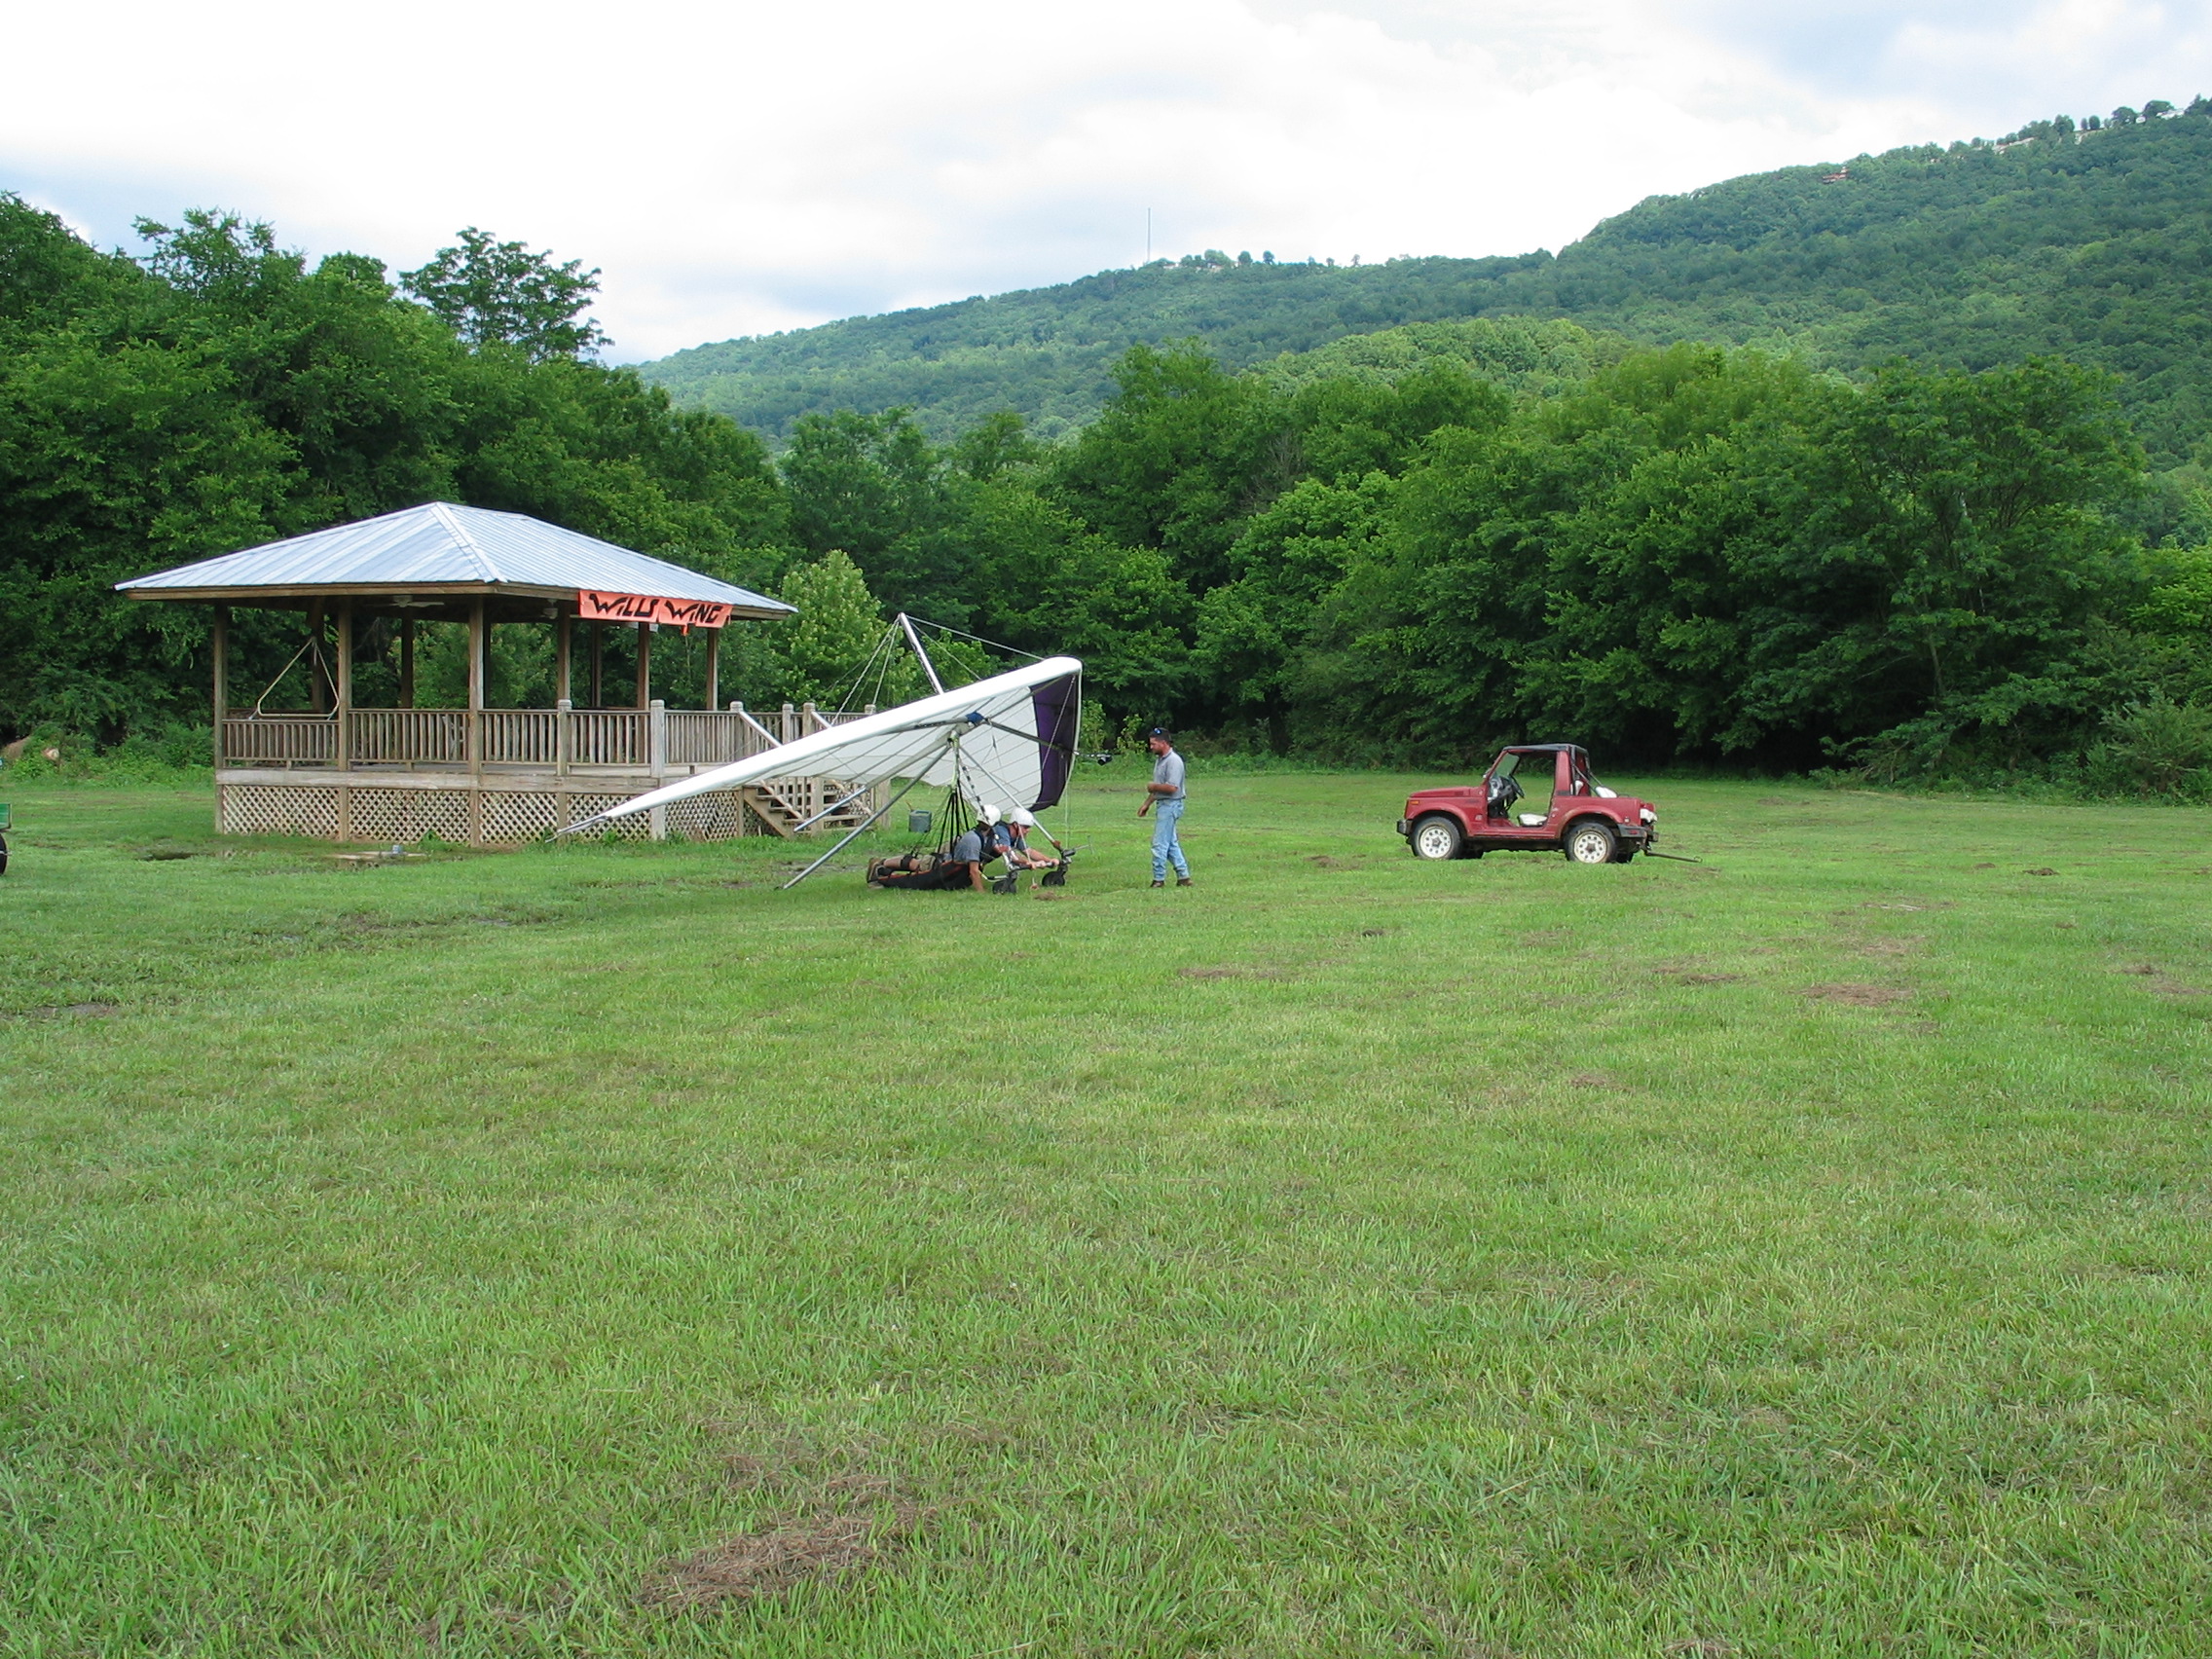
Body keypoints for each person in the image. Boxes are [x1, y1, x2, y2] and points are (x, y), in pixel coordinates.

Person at [1139, 727, 1191, 887]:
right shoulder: (1160, 760)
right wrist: (1147, 804)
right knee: (1171, 844)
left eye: (1153, 744)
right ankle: (1184, 876)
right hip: (1163, 804)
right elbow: (1159, 788)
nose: (1151, 747)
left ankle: (1158, 879)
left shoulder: (1174, 761)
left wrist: (1152, 786)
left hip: (1171, 805)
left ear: (1163, 743)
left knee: (1159, 843)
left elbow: (1172, 787)